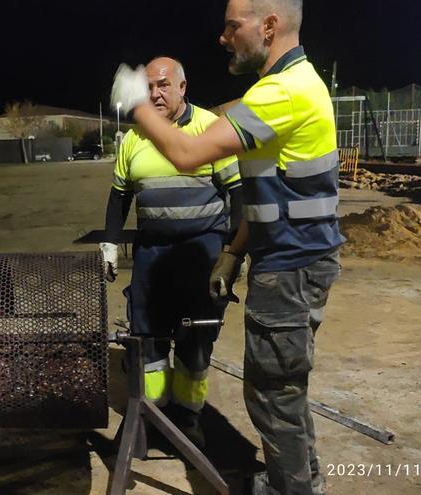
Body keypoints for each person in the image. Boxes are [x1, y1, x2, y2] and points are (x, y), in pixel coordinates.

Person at [110, 1, 343, 493]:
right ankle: (299, 480)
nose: (223, 38)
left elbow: (186, 153)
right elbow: (271, 195)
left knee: (274, 393)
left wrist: (134, 106)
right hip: (290, 258)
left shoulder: (284, 91)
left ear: (270, 25)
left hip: (292, 267)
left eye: (232, 26)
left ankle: (292, 489)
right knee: (283, 390)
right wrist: (235, 251)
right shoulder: (287, 87)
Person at [100, 56, 241, 447]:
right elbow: (119, 197)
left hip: (201, 253)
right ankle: (154, 413)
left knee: (197, 340)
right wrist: (110, 242)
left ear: (182, 87)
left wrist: (231, 255)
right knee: (148, 336)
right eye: (148, 87)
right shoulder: (133, 139)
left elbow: (238, 196)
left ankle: (188, 416)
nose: (154, 93)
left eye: (163, 84)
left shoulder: (209, 129)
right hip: (152, 254)